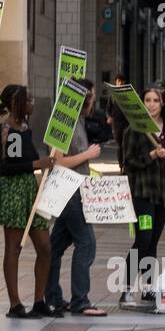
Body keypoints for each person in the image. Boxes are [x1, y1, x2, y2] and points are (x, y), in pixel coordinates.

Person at [0, 84, 56, 318]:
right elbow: (4, 167)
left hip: (30, 189)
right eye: (28, 99)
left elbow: (29, 157)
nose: (32, 103)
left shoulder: (26, 128)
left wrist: (43, 163)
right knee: (14, 247)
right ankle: (15, 304)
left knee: (45, 247)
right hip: (14, 191)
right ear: (16, 103)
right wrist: (35, 165)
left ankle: (39, 300)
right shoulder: (6, 130)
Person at [121, 86, 165, 305]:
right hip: (143, 193)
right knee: (143, 239)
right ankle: (127, 288)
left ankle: (148, 288)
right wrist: (151, 154)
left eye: (155, 100)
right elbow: (127, 163)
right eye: (147, 100)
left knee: (153, 242)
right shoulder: (135, 129)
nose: (151, 104)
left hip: (164, 194)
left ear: (162, 104)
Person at [44, 79, 106, 316]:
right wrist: (88, 154)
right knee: (86, 243)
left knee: (55, 246)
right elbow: (57, 161)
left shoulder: (78, 120)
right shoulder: (64, 122)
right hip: (69, 192)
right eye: (89, 97)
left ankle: (54, 297)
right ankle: (80, 300)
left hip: (77, 188)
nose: (92, 102)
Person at [106, 75, 131, 172]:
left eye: (121, 81)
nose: (120, 83)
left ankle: (126, 165)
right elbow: (108, 110)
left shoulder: (128, 94)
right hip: (116, 125)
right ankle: (121, 166)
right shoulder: (112, 95)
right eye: (118, 81)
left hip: (126, 124)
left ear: (124, 83)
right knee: (120, 146)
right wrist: (109, 117)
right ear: (115, 82)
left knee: (126, 145)